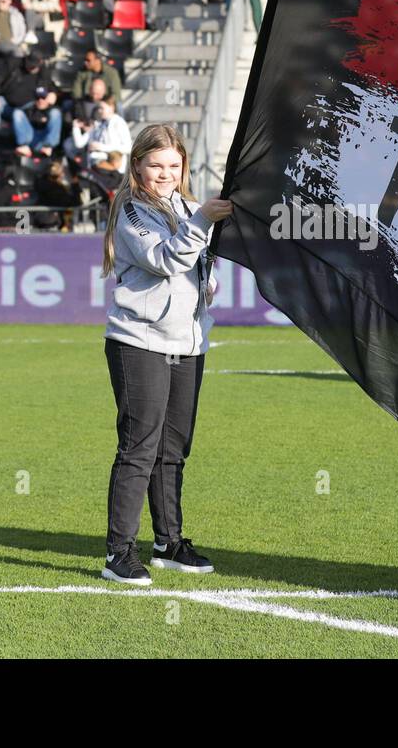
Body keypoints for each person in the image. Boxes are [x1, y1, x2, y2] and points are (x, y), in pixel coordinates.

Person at [99, 123, 233, 585]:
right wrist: (202, 223)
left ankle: (168, 542)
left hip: (188, 343)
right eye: (155, 165)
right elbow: (163, 259)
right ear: (136, 165)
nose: (165, 173)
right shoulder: (131, 210)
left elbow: (197, 266)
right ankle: (119, 553)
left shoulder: (191, 207)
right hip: (138, 342)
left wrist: (208, 282)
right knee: (140, 447)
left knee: (174, 449)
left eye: (173, 165)